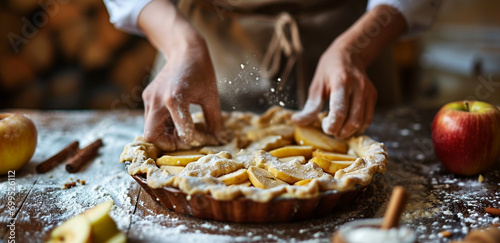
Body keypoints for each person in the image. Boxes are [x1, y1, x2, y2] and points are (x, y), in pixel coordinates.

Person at [104, 0, 441, 151]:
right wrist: (182, 46)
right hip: (202, 42)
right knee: (184, 138)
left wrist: (357, 49)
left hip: (351, 36)